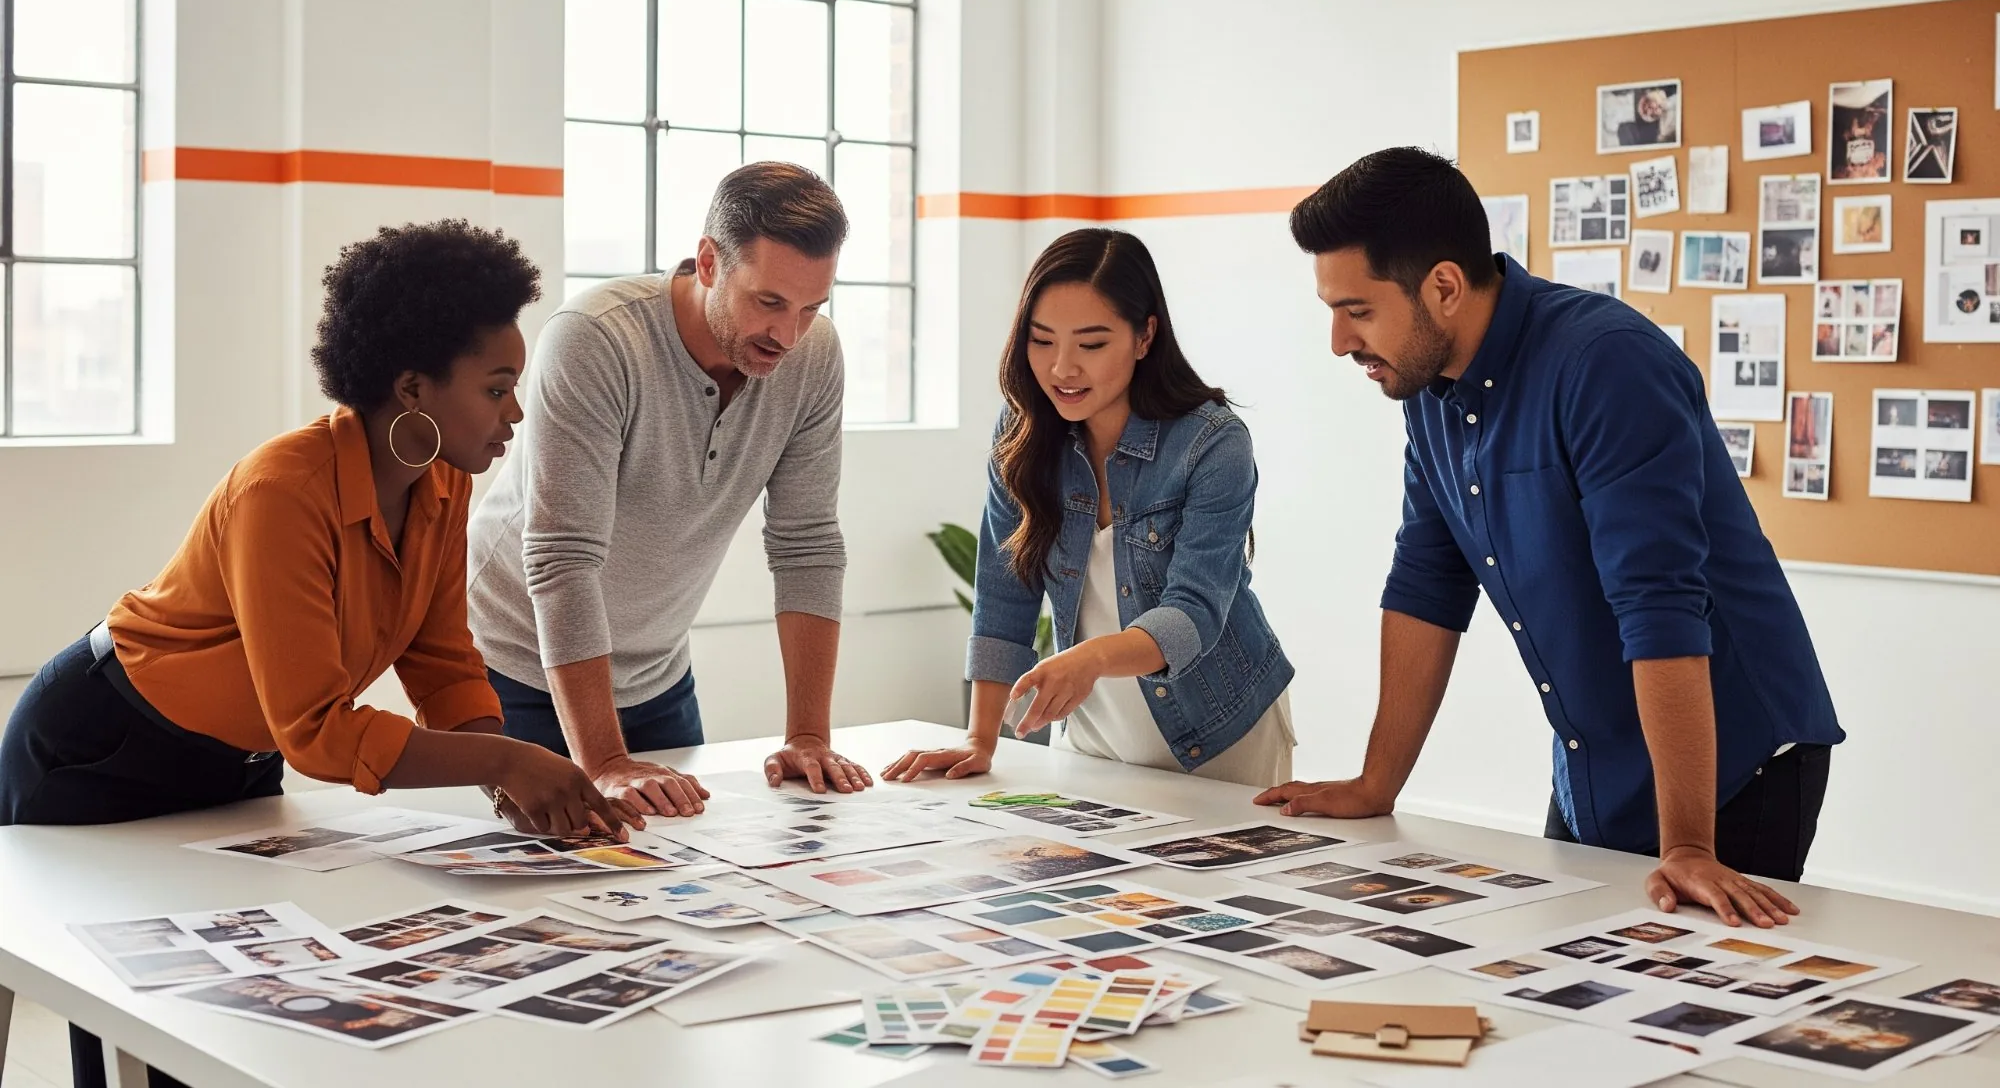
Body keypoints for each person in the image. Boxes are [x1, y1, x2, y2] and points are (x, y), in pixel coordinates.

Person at [0, 220, 622, 1088]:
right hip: (100, 748)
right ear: (412, 388)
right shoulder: (282, 489)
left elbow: (442, 661)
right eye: (496, 387)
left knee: (234, 1014)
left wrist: (500, 780)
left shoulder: (444, 483)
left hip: (232, 762)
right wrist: (508, 754)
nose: (516, 412)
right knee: (137, 1015)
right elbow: (319, 734)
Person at [1258, 148, 1843, 929]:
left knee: (1688, 1019)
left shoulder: (1606, 365)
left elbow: (1659, 605)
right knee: (1570, 991)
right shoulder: (1429, 393)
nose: (1338, 341)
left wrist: (1691, 846)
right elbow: (1427, 585)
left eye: (1358, 311)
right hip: (1598, 764)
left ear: (1443, 287)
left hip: (1732, 770)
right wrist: (1376, 785)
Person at [469, 161, 870, 817]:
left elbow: (808, 546)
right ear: (709, 261)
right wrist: (604, 764)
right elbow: (563, 557)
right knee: (542, 900)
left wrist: (808, 737)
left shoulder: (815, 355)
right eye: (769, 302)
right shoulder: (595, 340)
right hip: (516, 668)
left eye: (810, 308)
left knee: (684, 882)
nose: (789, 336)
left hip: (657, 676)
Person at [884, 228, 1295, 788]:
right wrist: (980, 740)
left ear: (1145, 336)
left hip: (1221, 736)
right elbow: (1006, 590)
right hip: (1093, 737)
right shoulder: (1022, 435)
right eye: (1042, 340)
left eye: (1092, 344)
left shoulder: (1213, 442)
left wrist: (1094, 658)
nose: (1061, 369)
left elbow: (1195, 611)